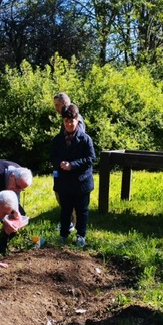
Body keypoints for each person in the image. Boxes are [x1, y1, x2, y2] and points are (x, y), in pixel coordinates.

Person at [51, 104, 95, 247]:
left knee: (82, 211)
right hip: (64, 182)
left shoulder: (85, 139)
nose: (69, 124)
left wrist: (73, 165)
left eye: (72, 121)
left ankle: (80, 236)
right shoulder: (57, 140)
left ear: (77, 120)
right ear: (63, 122)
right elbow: (52, 157)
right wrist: (60, 163)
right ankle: (63, 235)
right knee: (65, 210)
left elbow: (90, 159)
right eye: (66, 121)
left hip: (81, 181)